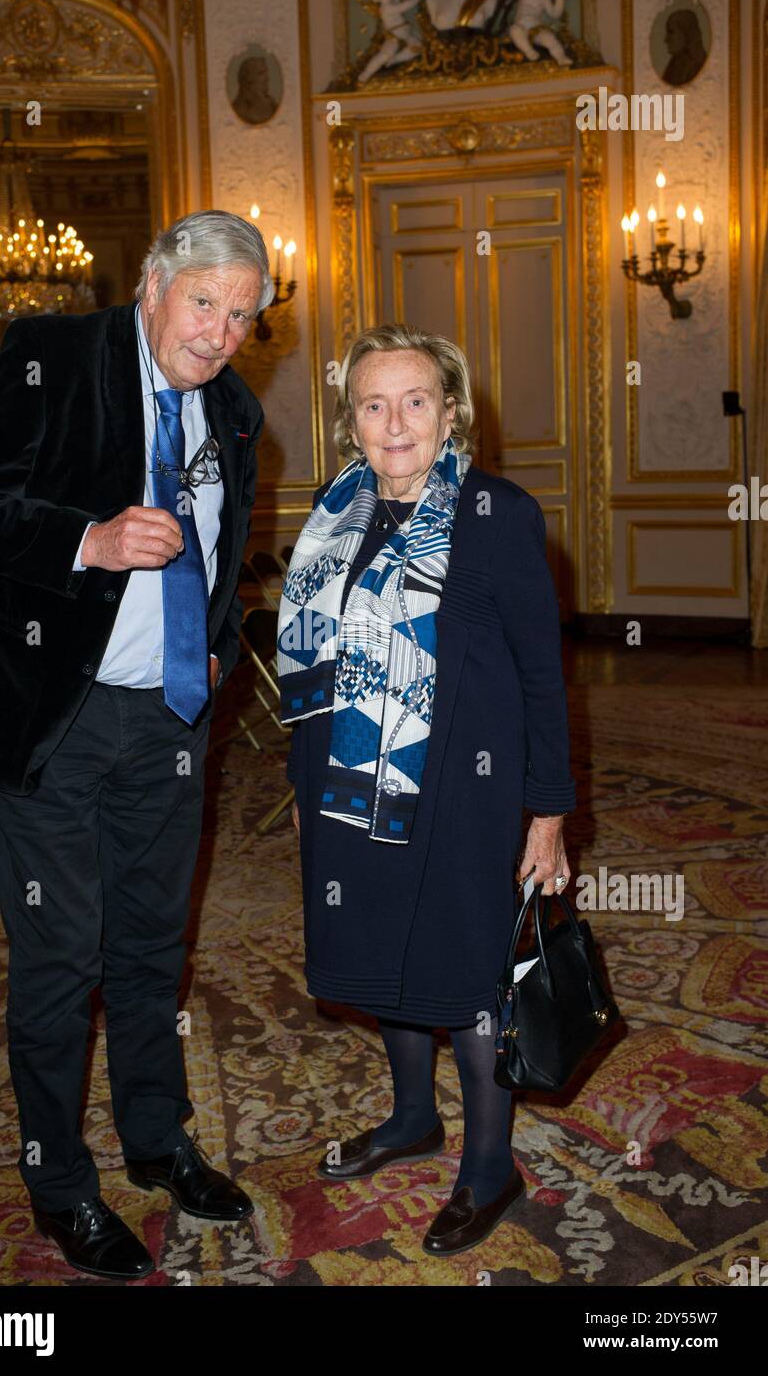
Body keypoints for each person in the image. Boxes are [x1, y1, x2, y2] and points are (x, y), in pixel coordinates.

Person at [0, 210, 270, 1281]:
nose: (219, 333)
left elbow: (225, 550)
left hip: (167, 718)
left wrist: (214, 655)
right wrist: (88, 539)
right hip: (53, 711)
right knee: (58, 954)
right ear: (154, 287)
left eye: (243, 316)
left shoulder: (236, 410)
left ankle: (158, 1143)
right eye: (205, 302)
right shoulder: (50, 358)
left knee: (149, 945)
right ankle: (59, 1185)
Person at [277, 323, 576, 1256]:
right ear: (350, 421)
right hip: (351, 784)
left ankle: (490, 1162)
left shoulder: (498, 514)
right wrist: (304, 779)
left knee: (467, 969)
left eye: (415, 401)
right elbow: (309, 663)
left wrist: (549, 811)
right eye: (373, 403)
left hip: (465, 791)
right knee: (379, 950)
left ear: (451, 412)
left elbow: (540, 673)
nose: (394, 421)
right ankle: (413, 1116)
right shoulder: (333, 514)